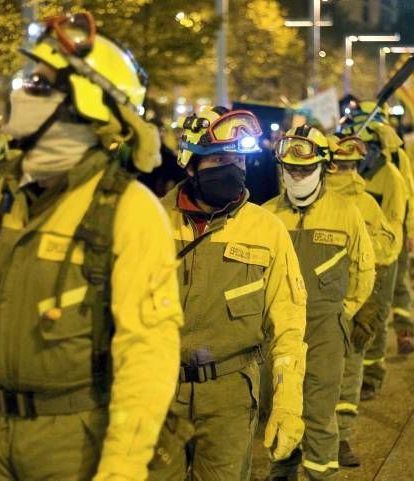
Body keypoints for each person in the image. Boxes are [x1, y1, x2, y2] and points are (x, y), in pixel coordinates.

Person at [0, 11, 183, 481]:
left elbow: (146, 362)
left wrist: (120, 471)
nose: (22, 92)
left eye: (41, 85)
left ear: (84, 104)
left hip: (72, 446)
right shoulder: (9, 195)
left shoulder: (130, 211)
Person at [148, 107, 307, 480]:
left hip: (230, 396)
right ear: (190, 164)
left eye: (239, 159)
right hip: (155, 393)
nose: (233, 169)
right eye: (220, 159)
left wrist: (286, 404)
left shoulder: (266, 230)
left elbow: (289, 324)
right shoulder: (150, 221)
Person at [262, 128, 375, 480]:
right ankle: (282, 468)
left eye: (304, 169)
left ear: (322, 167)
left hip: (326, 325)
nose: (297, 176)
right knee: (280, 405)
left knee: (320, 410)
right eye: (290, 169)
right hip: (277, 330)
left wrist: (344, 313)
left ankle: (320, 473)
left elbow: (364, 269)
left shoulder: (346, 212)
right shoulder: (266, 217)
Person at [326, 135, 400, 468]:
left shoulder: (368, 204)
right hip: (317, 306)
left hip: (355, 304)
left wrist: (369, 304)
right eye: (338, 165)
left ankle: (341, 438)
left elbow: (384, 253)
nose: (345, 172)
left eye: (350, 166)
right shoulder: (307, 202)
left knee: (350, 373)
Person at [337, 117, 407, 400]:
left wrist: (376, 254)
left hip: (382, 260)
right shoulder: (353, 178)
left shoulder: (391, 177)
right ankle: (353, 376)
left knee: (375, 317)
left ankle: (373, 376)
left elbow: (393, 223)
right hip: (354, 259)